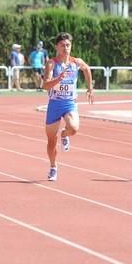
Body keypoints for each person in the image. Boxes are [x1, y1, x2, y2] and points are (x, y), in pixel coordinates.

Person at [43, 32, 95, 181]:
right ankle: (53, 167)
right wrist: (58, 79)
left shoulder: (76, 62)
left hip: (69, 103)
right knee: (51, 141)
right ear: (57, 47)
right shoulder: (52, 64)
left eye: (68, 45)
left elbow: (87, 69)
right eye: (62, 45)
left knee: (74, 128)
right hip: (54, 104)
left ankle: (65, 135)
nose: (66, 48)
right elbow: (45, 85)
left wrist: (90, 88)